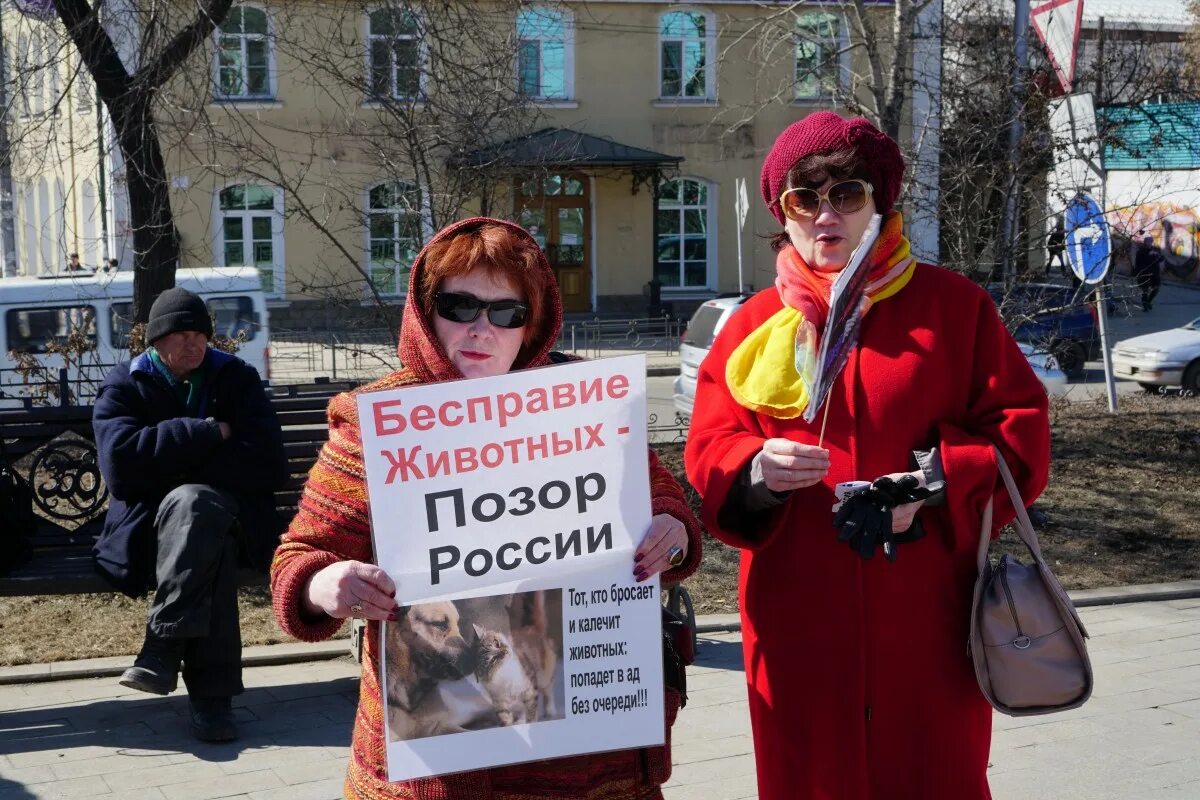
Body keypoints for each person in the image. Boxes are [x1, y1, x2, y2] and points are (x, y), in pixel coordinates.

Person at [683, 111, 1050, 800]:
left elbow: (1020, 431)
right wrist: (757, 472)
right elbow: (709, 447)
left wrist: (933, 484)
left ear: (879, 202)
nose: (827, 214)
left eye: (847, 193)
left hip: (929, 621)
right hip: (798, 621)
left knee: (935, 776)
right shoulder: (752, 325)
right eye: (805, 198)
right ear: (782, 213)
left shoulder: (955, 308)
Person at [270, 217, 702, 800]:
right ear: (427, 310)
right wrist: (325, 584)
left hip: (591, 754)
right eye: (460, 305)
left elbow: (664, 506)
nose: (482, 328)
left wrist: (670, 531)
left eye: (506, 312)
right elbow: (300, 558)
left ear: (532, 324)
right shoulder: (378, 423)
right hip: (442, 761)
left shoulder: (587, 406)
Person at [93, 288, 287, 742]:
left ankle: (161, 648)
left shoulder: (234, 378)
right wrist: (204, 433)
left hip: (239, 522)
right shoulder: (126, 384)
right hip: (151, 533)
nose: (194, 344)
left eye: (201, 333)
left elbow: (268, 464)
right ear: (157, 340)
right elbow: (120, 468)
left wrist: (167, 460)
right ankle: (212, 703)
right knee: (203, 533)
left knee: (200, 512)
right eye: (181, 334)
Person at [1133, 235, 1163, 311]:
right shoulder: (1141, 251)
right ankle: (1145, 306)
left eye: (1151, 241)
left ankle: (1149, 301)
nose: (1150, 243)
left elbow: (1161, 259)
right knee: (1145, 290)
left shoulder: (1155, 250)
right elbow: (1138, 263)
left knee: (1156, 289)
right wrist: (1149, 255)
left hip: (1155, 274)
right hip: (1144, 274)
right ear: (1145, 242)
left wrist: (1158, 255)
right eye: (1148, 241)